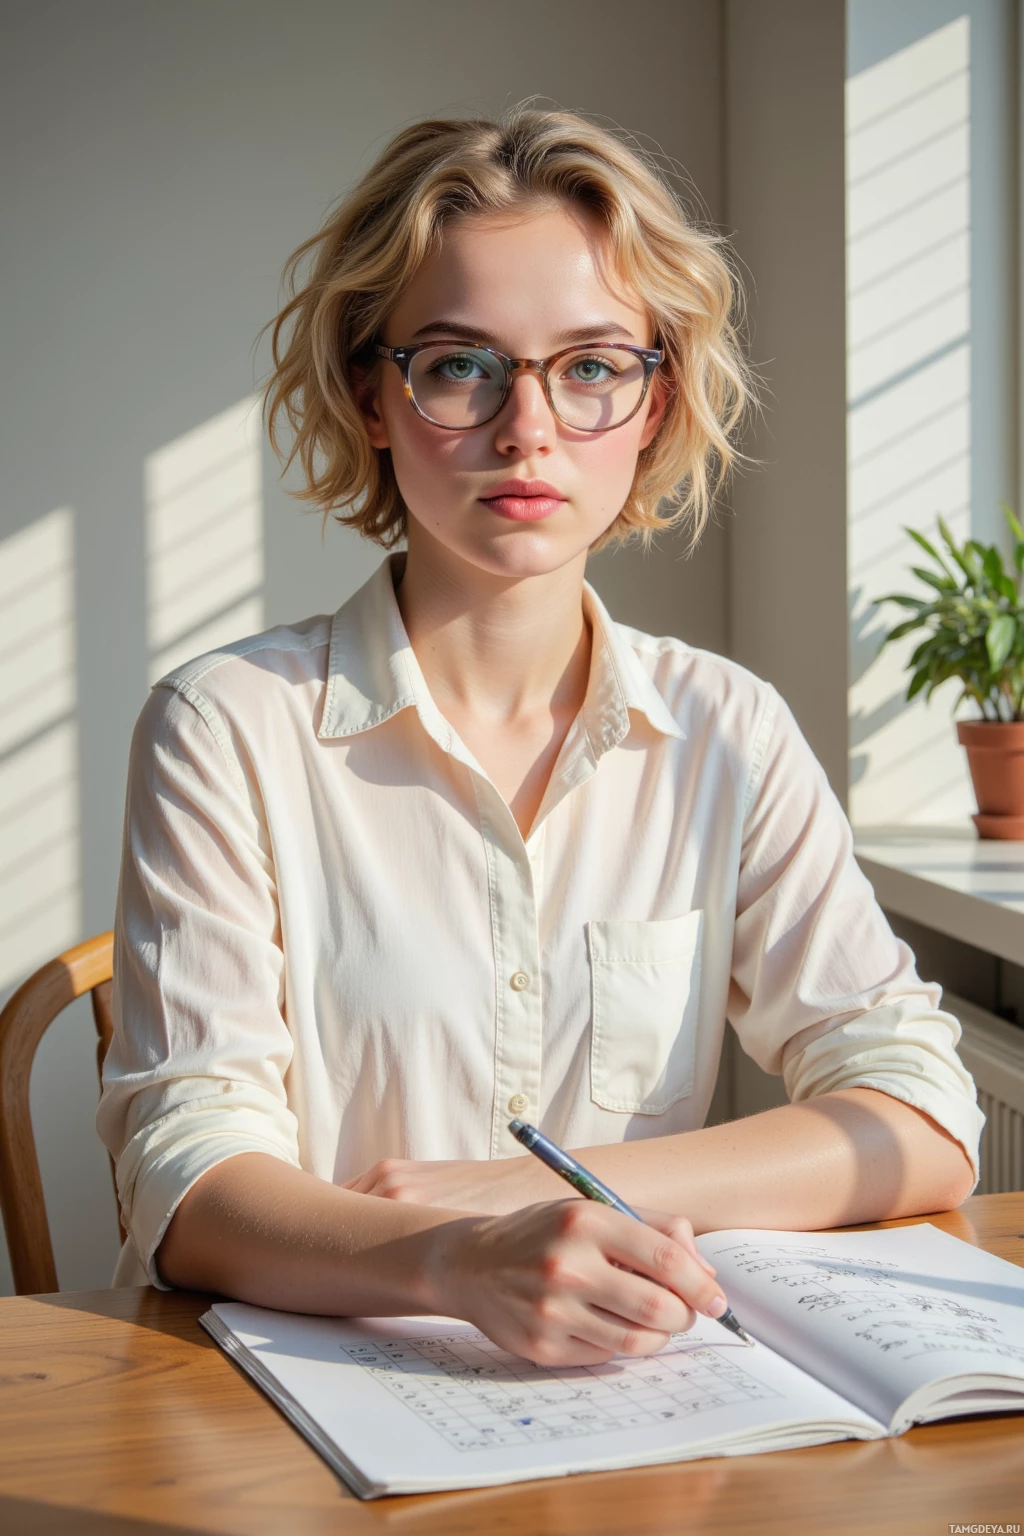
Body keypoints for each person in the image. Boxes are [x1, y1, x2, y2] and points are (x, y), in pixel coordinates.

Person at [97, 107, 982, 1369]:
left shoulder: (728, 730)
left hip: (640, 1401)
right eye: (461, 365)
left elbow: (918, 1109)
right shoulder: (224, 727)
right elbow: (183, 1176)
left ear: (653, 400)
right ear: (372, 396)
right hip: (301, 1405)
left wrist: (549, 1200)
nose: (527, 431)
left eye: (589, 366)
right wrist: (452, 1263)